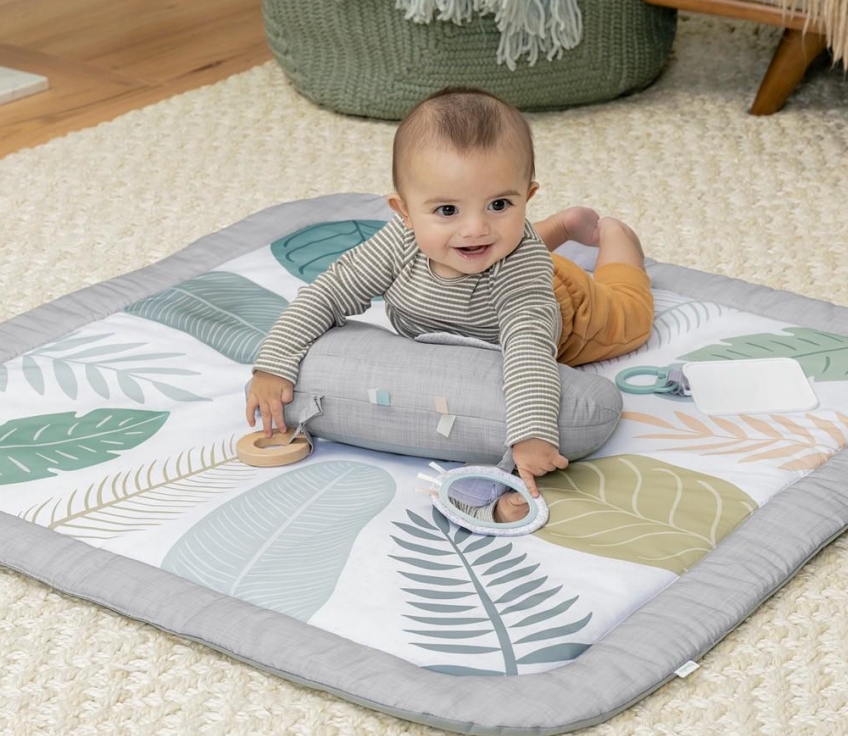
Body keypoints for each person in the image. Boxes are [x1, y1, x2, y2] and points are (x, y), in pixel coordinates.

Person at [246, 86, 653, 524]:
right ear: (404, 211)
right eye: (446, 210)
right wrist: (274, 365)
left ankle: (618, 240)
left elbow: (529, 353)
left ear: (527, 196)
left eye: (500, 203)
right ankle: (560, 227)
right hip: (497, 264)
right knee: (490, 242)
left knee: (630, 312)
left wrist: (531, 432)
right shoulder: (400, 242)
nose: (474, 226)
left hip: (571, 311)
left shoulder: (522, 272)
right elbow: (328, 292)